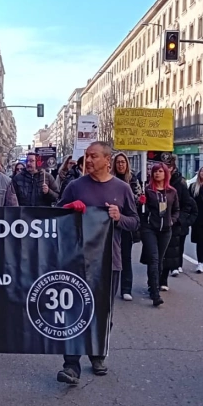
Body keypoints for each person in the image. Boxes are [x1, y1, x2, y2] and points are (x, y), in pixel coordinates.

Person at [56, 141, 138, 385]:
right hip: (77, 260)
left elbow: (135, 222)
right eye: (86, 156)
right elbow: (56, 215)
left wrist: (119, 217)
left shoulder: (122, 189)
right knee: (74, 311)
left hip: (108, 262)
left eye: (93, 156)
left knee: (103, 312)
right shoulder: (74, 186)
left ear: (107, 160)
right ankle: (71, 365)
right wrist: (69, 207)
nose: (88, 160)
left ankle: (98, 353)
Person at [139, 162, 179, 307]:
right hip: (150, 228)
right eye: (155, 171)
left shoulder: (172, 192)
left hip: (166, 230)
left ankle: (152, 283)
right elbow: (141, 211)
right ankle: (154, 293)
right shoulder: (148, 190)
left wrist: (172, 221)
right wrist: (141, 203)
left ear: (165, 173)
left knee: (160, 260)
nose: (157, 174)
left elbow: (176, 210)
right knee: (154, 259)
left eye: (160, 171)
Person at [160, 155, 197, 288]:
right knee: (156, 254)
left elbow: (189, 205)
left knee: (169, 253)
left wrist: (179, 220)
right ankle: (153, 282)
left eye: (169, 167)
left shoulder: (180, 183)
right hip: (156, 223)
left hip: (172, 224)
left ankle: (164, 279)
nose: (166, 170)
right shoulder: (155, 181)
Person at [112, 152, 142, 301]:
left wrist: (138, 198)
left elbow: (137, 201)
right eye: (118, 162)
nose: (121, 165)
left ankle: (126, 288)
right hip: (111, 224)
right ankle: (110, 287)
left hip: (126, 222)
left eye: (123, 162)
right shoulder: (109, 180)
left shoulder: (133, 180)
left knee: (126, 256)